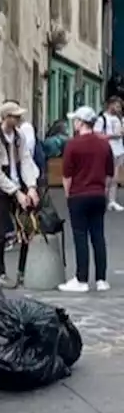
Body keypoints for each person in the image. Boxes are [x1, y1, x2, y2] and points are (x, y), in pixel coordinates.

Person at [0, 101, 40, 288]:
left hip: (19, 184)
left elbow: (25, 160)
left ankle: (23, 271)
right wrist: (16, 193)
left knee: (27, 226)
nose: (19, 119)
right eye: (15, 116)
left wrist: (31, 187)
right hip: (1, 189)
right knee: (0, 230)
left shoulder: (19, 136)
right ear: (5, 117)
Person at [59, 106, 114, 292]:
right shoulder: (104, 144)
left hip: (78, 194)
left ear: (81, 123)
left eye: (75, 120)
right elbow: (109, 173)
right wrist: (104, 191)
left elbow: (67, 175)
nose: (74, 123)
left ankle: (81, 279)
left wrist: (68, 194)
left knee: (80, 236)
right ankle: (101, 279)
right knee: (98, 236)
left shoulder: (72, 145)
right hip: (98, 194)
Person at [92, 96, 124, 211]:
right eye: (117, 106)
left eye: (120, 107)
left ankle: (112, 201)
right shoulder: (102, 119)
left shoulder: (120, 119)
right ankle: (102, 199)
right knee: (107, 177)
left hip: (119, 149)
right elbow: (96, 134)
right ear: (110, 105)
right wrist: (112, 136)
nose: (119, 109)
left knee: (115, 177)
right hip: (107, 149)